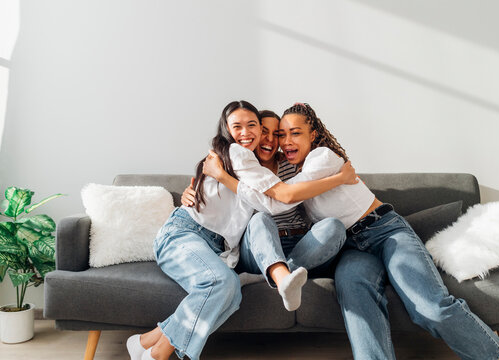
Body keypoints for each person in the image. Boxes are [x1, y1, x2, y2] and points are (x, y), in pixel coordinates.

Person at [202, 102, 499, 360]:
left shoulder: (322, 158)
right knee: (358, 302)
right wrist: (199, 181)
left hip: (384, 231)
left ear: (313, 135)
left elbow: (283, 196)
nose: (285, 140)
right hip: (351, 249)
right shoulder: (293, 172)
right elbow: (267, 190)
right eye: (281, 134)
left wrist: (341, 177)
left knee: (429, 307)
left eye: (295, 133)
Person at [126, 101, 357, 360]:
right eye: (239, 126)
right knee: (222, 283)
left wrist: (339, 177)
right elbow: (275, 200)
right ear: (227, 129)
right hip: (189, 233)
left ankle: (143, 343)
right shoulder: (235, 155)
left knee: (230, 292)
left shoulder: (275, 164)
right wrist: (206, 184)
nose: (256, 135)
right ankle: (156, 355)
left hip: (221, 245)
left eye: (260, 129)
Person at [182, 109, 348, 310]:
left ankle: (272, 277)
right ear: (256, 134)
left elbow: (322, 171)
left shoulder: (293, 165)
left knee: (334, 226)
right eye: (264, 132)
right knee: (260, 218)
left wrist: (342, 177)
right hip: (260, 244)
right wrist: (191, 192)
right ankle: (279, 274)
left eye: (276, 134)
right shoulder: (239, 166)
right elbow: (211, 193)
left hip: (302, 245)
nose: (269, 139)